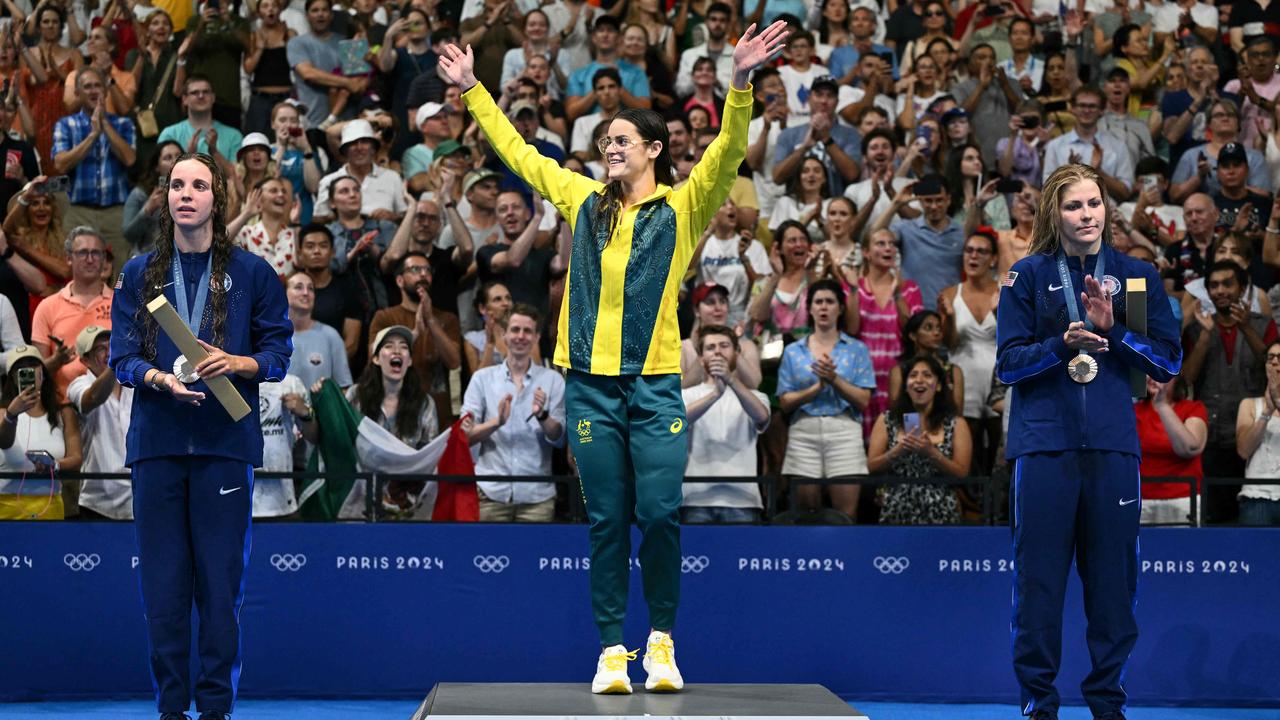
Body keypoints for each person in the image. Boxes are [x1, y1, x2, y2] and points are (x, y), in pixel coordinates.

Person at [440, 20, 788, 694]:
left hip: (656, 386)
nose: (609, 149)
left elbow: (726, 150)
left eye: (621, 140)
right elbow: (521, 154)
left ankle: (660, 642)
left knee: (658, 514)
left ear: (653, 149)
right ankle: (610, 652)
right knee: (605, 521)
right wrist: (474, 91)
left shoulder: (683, 207)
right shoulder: (581, 198)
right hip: (591, 390)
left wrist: (739, 82)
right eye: (604, 143)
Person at [109, 152, 292, 720]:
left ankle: (215, 710)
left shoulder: (253, 273)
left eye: (199, 185)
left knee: (220, 593)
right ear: (165, 198)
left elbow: (278, 355)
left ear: (218, 198)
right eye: (176, 185)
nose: (186, 194)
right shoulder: (140, 273)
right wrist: (159, 377)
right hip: (158, 446)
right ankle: (170, 709)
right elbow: (121, 359)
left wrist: (238, 363)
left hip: (223, 446)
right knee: (163, 594)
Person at [996, 163, 1181, 720]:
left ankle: (1106, 704)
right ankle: (1039, 705)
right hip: (1044, 447)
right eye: (1075, 206)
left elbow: (1165, 361)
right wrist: (1061, 344)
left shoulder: (1137, 277)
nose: (1087, 215)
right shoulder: (1026, 277)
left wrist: (1114, 330)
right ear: (1055, 212)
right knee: (1038, 589)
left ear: (1107, 209)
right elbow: (1006, 366)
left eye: (1095, 204)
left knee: (1113, 589)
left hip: (1111, 448)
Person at [1180, 260, 1278, 523]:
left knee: (1251, 514)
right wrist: (1203, 337)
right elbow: (1187, 377)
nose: (1220, 290)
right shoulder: (1198, 327)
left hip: (1254, 435)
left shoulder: (1263, 324)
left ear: (1243, 288)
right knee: (1214, 519)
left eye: (1227, 283)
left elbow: (1272, 363)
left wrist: (1245, 327)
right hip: (1211, 435)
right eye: (1213, 285)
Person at [777, 279, 877, 518]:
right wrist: (817, 388)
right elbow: (785, 402)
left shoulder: (857, 349)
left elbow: (863, 400)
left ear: (840, 309)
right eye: (818, 302)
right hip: (803, 429)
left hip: (844, 428)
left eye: (830, 302)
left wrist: (835, 380)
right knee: (805, 514)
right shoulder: (793, 351)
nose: (823, 307)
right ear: (809, 308)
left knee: (845, 515)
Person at [460, 304, 565, 521]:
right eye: (515, 330)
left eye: (527, 331)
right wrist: (496, 422)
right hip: (490, 496)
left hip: (537, 499)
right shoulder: (482, 379)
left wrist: (543, 416)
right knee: (486, 555)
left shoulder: (552, 380)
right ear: (504, 335)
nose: (521, 336)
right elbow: (464, 438)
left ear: (536, 337)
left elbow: (559, 439)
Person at [681, 323, 771, 523]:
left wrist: (730, 381)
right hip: (695, 499)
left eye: (724, 346)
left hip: (743, 500)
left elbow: (762, 417)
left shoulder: (756, 395)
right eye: (710, 348)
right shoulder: (685, 395)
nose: (718, 352)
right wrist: (715, 394)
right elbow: (678, 422)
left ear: (737, 352)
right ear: (701, 356)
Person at [867, 353, 971, 524]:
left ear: (938, 386)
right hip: (897, 508)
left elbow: (962, 473)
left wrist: (931, 453)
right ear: (906, 386)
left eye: (927, 375)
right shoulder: (887, 419)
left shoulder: (956, 423)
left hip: (941, 509)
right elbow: (872, 466)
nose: (919, 380)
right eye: (913, 375)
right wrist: (898, 450)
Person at [938, 230, 1000, 475]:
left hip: (999, 379)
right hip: (964, 377)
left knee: (998, 449)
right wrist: (950, 318)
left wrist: (998, 314)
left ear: (993, 259)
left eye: (981, 251)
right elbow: (949, 343)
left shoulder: (1005, 289)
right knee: (966, 448)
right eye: (969, 250)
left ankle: (999, 511)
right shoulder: (950, 294)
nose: (973, 256)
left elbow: (1017, 336)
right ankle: (970, 510)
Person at [0, 344, 83, 520]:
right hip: (7, 506)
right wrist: (11, 414)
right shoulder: (2, 413)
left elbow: (76, 459)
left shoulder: (64, 413)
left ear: (43, 373)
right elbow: (4, 441)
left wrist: (54, 465)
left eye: (33, 365)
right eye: (21, 369)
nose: (28, 370)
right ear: (13, 377)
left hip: (51, 504)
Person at [31, 227, 114, 400]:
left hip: (112, 404)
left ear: (104, 259)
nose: (90, 259)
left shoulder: (121, 304)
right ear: (69, 258)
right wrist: (57, 360)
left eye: (96, 253)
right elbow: (36, 375)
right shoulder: (48, 307)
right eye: (83, 253)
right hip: (62, 406)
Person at [69, 325, 135, 521]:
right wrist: (116, 362)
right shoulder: (78, 385)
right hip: (97, 502)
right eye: (100, 349)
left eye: (111, 345)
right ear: (85, 359)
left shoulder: (133, 385)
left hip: (136, 498)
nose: (108, 352)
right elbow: (92, 398)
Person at [1136, 377, 1207, 524]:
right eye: (1148, 372)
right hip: (1140, 499)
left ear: (1175, 378)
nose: (1151, 377)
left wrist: (1162, 406)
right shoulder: (1134, 411)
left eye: (1159, 371)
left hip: (1183, 499)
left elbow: (1189, 449)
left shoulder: (1193, 408)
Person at [1235, 339, 1280, 525]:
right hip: (1257, 498)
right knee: (1253, 553)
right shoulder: (1250, 405)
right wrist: (1267, 412)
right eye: (1271, 358)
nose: (1275, 362)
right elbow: (1244, 450)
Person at [286, 270, 352, 391]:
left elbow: (344, 388)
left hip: (319, 409)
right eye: (298, 287)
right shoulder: (270, 336)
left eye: (310, 288)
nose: (306, 293)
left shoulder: (330, 336)